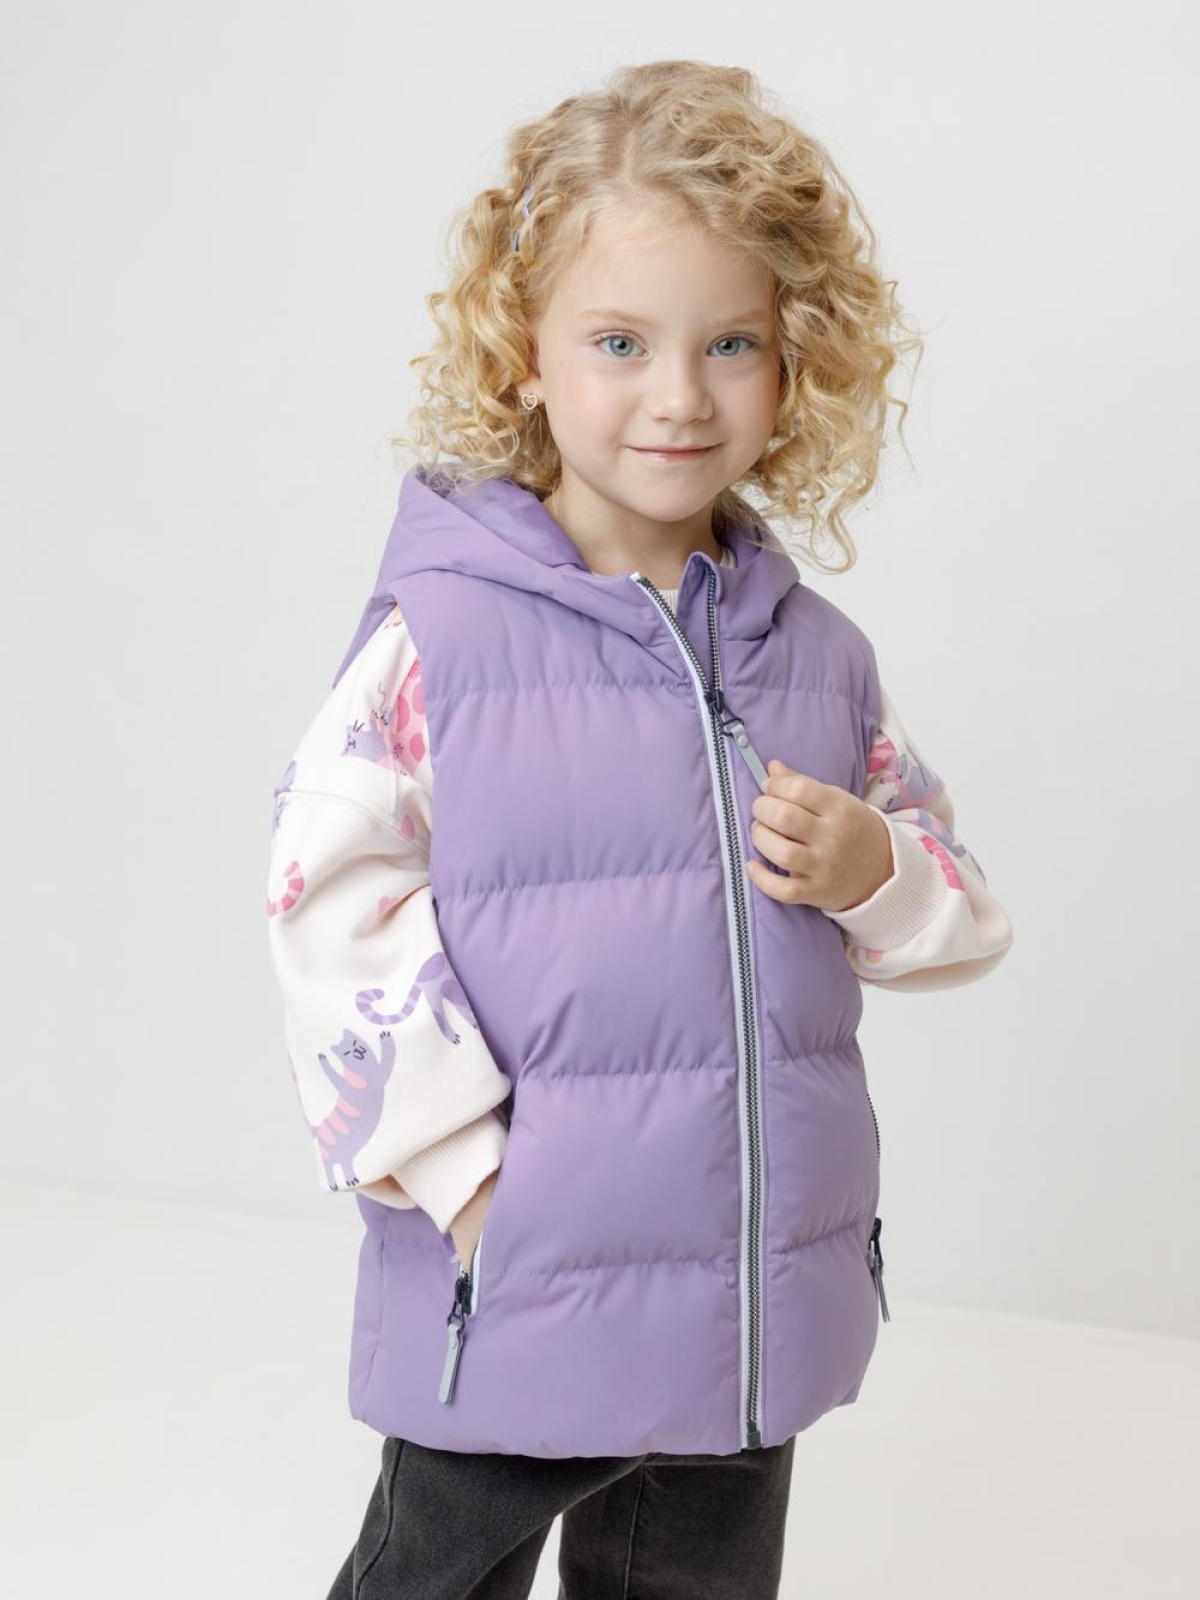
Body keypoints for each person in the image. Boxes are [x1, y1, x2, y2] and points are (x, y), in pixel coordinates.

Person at [265, 58, 1014, 1600]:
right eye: (620, 342)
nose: (680, 395)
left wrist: (878, 871)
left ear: (794, 364)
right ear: (523, 354)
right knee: (434, 1579)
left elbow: (957, 913)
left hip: (751, 1302)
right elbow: (328, 911)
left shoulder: (817, 660)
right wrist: (470, 1185)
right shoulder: (443, 643)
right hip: (524, 1275)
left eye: (731, 343)